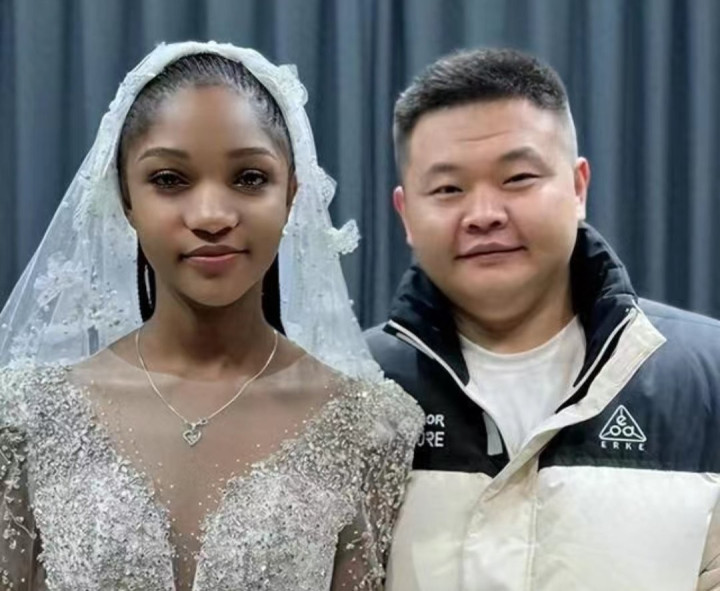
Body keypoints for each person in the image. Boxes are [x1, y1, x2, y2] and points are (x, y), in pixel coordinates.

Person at [0, 41, 423, 591]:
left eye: (249, 178)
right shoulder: (27, 418)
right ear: (126, 198)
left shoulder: (368, 427)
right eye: (168, 180)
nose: (211, 216)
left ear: (291, 195)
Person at [366, 47, 720, 590]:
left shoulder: (707, 378)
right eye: (448, 189)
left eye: (518, 178)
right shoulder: (355, 388)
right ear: (406, 213)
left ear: (578, 188)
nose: (484, 214)